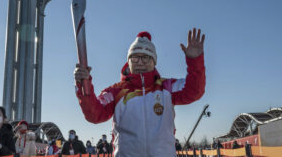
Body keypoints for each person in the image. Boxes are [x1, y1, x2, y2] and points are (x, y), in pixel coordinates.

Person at [74, 29, 206, 157]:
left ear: (154, 62)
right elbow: (95, 114)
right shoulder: (116, 91)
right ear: (128, 61)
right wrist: (83, 86)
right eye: (135, 58)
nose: (140, 62)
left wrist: (195, 61)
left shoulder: (166, 87)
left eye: (146, 57)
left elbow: (194, 91)